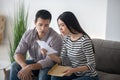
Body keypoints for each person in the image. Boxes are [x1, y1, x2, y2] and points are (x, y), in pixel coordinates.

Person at [10, 9, 62, 80]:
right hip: (33, 62)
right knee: (14, 66)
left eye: (46, 25)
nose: (43, 28)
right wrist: (24, 66)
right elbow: (18, 53)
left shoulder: (56, 37)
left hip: (48, 65)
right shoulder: (28, 34)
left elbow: (50, 61)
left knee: (43, 75)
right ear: (35, 22)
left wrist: (30, 67)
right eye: (40, 25)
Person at [49, 11, 99, 80]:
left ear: (70, 24)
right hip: (75, 74)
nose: (60, 28)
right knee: (55, 77)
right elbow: (62, 60)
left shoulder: (84, 41)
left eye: (62, 25)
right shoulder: (66, 39)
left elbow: (92, 65)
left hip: (89, 76)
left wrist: (73, 70)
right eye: (59, 25)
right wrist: (49, 54)